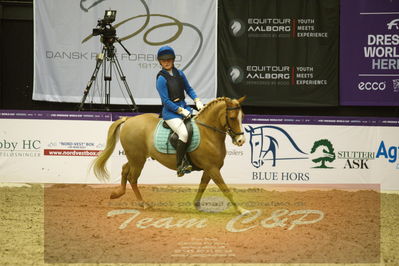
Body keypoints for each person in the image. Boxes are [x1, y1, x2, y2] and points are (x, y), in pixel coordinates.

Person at [156, 45, 204, 177]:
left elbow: (189, 89)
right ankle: (180, 165)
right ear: (160, 62)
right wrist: (180, 110)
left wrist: (197, 100)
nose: (166, 62)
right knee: (183, 133)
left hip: (185, 107)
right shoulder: (161, 79)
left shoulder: (180, 73)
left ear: (173, 60)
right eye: (164, 60)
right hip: (171, 113)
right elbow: (165, 101)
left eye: (169, 59)